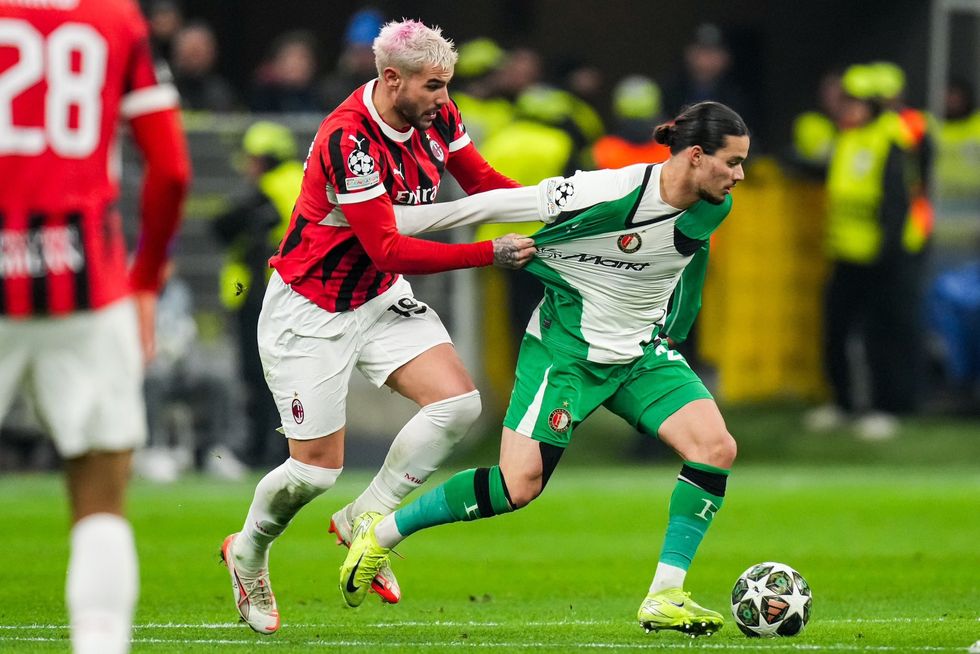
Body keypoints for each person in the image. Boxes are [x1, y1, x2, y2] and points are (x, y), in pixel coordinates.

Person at [339, 101, 750, 638]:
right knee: (518, 486)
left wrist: (681, 321)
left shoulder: (715, 206)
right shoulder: (607, 190)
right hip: (566, 349)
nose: (740, 175)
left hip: (640, 353)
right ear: (696, 156)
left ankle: (664, 595)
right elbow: (498, 202)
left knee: (715, 448)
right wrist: (387, 222)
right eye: (732, 162)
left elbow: (692, 251)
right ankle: (380, 535)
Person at [219, 19, 536, 635]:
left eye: (446, 84)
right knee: (314, 472)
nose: (444, 98)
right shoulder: (348, 137)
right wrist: (487, 253)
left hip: (378, 296)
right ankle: (248, 552)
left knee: (458, 403)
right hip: (312, 309)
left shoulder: (435, 114)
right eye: (433, 86)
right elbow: (386, 246)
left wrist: (560, 215)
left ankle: (364, 517)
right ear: (392, 79)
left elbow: (483, 185)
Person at [0, 1, 191, 652]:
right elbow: (171, 169)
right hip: (88, 283)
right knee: (100, 502)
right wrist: (146, 280)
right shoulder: (115, 18)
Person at [805, 63, 933, 440]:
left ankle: (885, 407)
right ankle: (843, 403)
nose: (846, 107)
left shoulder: (890, 138)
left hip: (884, 256)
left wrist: (887, 251)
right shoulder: (848, 137)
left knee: (883, 335)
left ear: (873, 104)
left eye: (854, 102)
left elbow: (897, 201)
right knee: (836, 329)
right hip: (847, 253)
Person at [212, 121, 304, 468]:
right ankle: (287, 451)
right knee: (289, 377)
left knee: (259, 377)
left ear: (267, 158)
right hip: (295, 293)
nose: (248, 167)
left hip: (264, 294)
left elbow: (222, 226)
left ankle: (257, 452)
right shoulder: (300, 181)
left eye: (253, 158)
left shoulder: (272, 187)